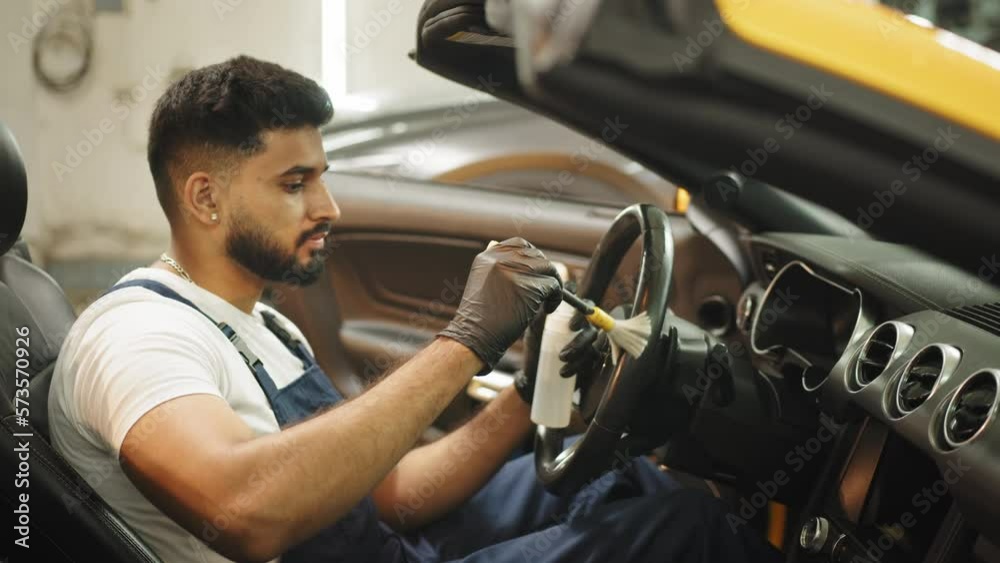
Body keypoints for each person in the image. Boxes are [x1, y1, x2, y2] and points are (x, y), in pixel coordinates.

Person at [48, 55, 782, 563]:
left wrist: (530, 396)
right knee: (686, 527)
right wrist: (466, 340)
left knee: (620, 480)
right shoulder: (137, 334)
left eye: (323, 178)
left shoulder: (261, 323)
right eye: (295, 182)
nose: (328, 206)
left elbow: (386, 495)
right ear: (205, 196)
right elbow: (243, 508)